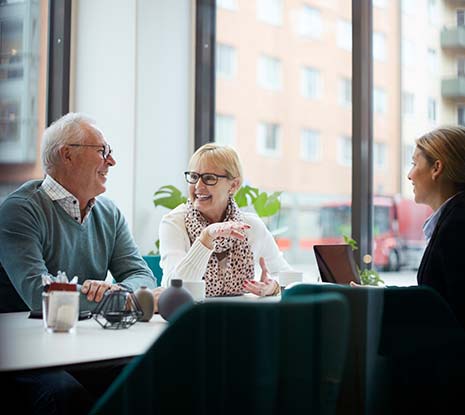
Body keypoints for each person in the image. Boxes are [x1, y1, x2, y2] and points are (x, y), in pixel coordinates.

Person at [0, 112, 163, 414]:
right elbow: (41, 298)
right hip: (26, 355)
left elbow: (141, 275)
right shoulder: (19, 211)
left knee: (151, 376)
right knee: (65, 396)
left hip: (84, 348)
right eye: (103, 151)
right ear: (67, 155)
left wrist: (117, 293)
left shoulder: (109, 213)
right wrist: (120, 299)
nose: (111, 161)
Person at [159, 143, 292, 297]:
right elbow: (175, 288)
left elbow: (289, 277)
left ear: (234, 185)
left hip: (241, 316)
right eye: (194, 177)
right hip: (192, 316)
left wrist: (273, 286)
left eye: (209, 178)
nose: (198, 186)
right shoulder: (174, 223)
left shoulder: (251, 226)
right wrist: (206, 238)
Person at [407, 125, 465, 328]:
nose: (409, 175)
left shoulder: (457, 225)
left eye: (414, 163)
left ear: (436, 168)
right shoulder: (452, 217)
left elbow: (450, 314)